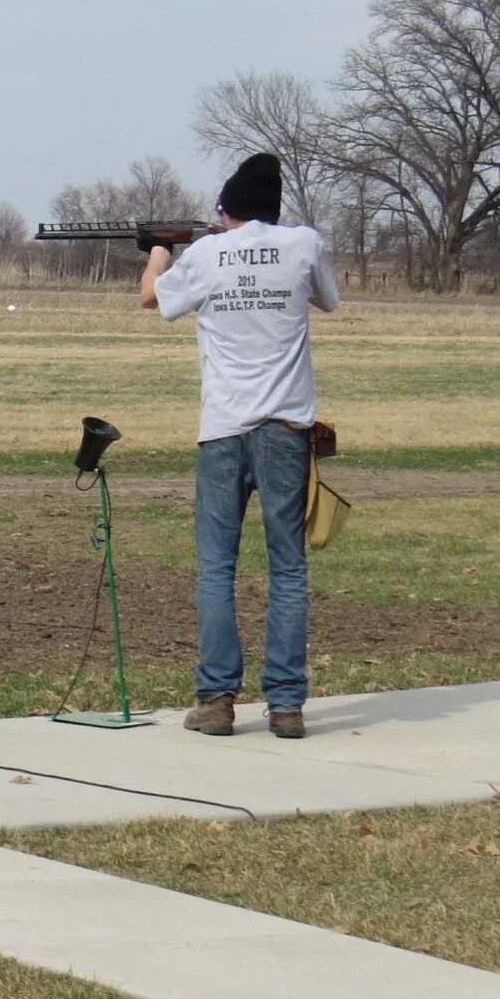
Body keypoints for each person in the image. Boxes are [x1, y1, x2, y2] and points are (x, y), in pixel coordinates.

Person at [139, 151, 340, 740]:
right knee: (288, 569)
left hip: (223, 428)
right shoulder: (304, 243)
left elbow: (152, 298)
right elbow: (327, 299)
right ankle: (285, 705)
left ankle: (217, 699)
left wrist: (157, 248)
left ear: (223, 210)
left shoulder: (203, 253)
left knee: (216, 568)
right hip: (286, 431)